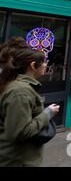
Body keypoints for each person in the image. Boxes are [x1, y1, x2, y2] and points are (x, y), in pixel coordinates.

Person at [0, 38, 60, 167]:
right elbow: (20, 132)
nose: (46, 65)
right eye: (44, 62)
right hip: (18, 161)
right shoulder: (20, 91)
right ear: (33, 66)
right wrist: (48, 113)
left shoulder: (19, 87)